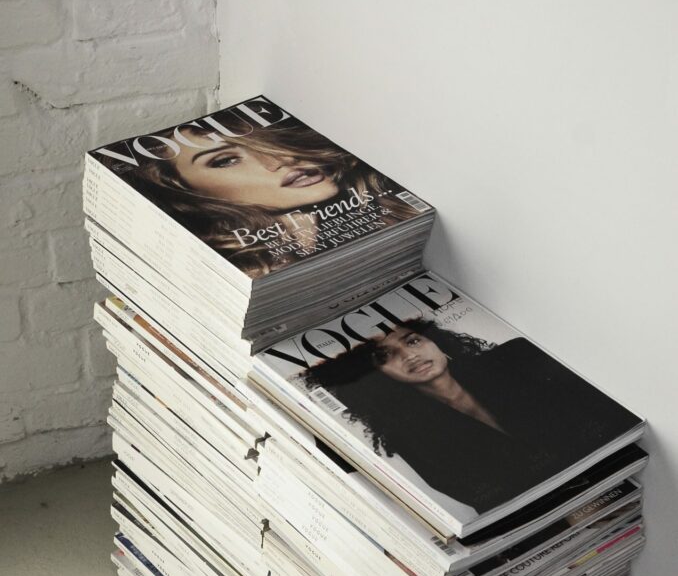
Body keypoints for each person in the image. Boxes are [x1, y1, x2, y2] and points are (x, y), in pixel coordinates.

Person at [302, 318, 640, 515]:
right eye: (384, 355)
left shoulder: (517, 361)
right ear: (378, 377)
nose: (410, 355)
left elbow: (610, 423)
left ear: (435, 341)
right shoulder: (410, 438)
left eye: (413, 340)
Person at [98, 120, 414, 278]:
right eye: (224, 160)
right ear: (189, 194)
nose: (276, 161)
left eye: (266, 142)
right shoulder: (229, 273)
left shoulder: (394, 209)